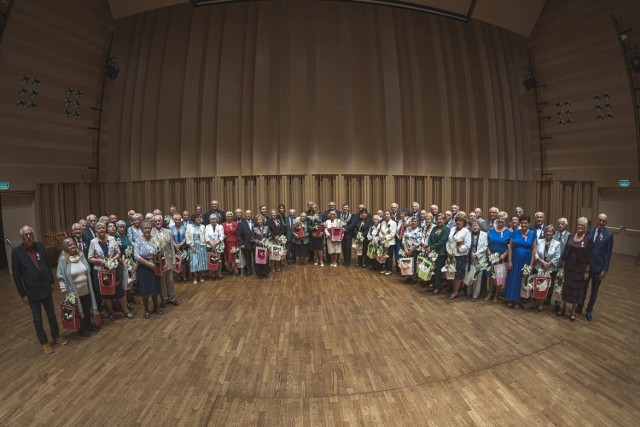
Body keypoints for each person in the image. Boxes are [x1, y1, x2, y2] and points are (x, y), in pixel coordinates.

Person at [12, 225, 68, 353]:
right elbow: (16, 276)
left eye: (30, 233)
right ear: (22, 237)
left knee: (52, 315)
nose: (29, 236)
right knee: (37, 319)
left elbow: (47, 265)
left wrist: (52, 281)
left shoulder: (40, 246)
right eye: (26, 234)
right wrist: (22, 294)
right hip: (31, 292)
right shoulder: (17, 252)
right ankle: (44, 341)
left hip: (45, 287)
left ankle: (56, 336)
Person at [88, 222, 132, 320]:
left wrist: (112, 260)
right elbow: (90, 258)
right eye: (99, 228)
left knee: (119, 291)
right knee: (106, 293)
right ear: (96, 230)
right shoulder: (93, 242)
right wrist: (100, 261)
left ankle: (126, 311)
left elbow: (118, 253)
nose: (101, 229)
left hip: (113, 269)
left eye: (103, 227)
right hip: (100, 271)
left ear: (106, 229)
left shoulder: (112, 239)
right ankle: (111, 312)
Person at [57, 238, 100, 337]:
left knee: (87, 308)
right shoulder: (63, 260)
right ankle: (82, 328)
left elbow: (87, 270)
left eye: (73, 244)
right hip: (73, 291)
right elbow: (61, 278)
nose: (73, 246)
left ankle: (89, 325)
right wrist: (65, 293)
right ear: (66, 248)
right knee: (78, 310)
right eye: (70, 245)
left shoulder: (81, 256)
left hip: (85, 288)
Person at [577, 213, 613, 321]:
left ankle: (589, 310)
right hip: (587, 266)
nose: (601, 222)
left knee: (594, 291)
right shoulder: (590, 232)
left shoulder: (609, 235)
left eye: (604, 221)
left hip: (598, 268)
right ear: (597, 220)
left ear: (606, 222)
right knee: (583, 288)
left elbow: (609, 254)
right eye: (600, 220)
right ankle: (579, 306)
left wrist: (605, 270)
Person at [558, 217, 592, 322]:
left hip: (579, 269)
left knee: (575, 290)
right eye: (578, 224)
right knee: (566, 288)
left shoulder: (588, 239)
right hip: (569, 267)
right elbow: (566, 251)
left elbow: (590, 256)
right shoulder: (571, 236)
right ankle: (563, 308)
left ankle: (573, 311)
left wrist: (587, 271)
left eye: (582, 225)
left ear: (586, 227)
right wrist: (562, 263)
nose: (580, 226)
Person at [133, 219, 164, 319]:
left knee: (155, 288)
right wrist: (149, 265)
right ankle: (146, 309)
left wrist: (164, 262)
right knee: (145, 290)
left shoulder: (155, 239)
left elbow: (160, 251)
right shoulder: (138, 240)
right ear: (141, 229)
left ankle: (156, 307)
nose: (147, 230)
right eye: (145, 228)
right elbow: (137, 256)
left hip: (155, 266)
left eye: (149, 228)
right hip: (143, 268)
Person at [504, 215, 536, 308]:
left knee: (522, 280)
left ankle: (518, 300)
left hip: (526, 260)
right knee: (513, 278)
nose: (523, 225)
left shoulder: (532, 234)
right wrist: (509, 261)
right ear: (519, 223)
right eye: (522, 223)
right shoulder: (515, 233)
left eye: (525, 223)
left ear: (529, 224)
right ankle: (510, 298)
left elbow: (534, 250)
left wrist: (531, 264)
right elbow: (510, 247)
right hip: (515, 259)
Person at [530, 225, 561, 312]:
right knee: (536, 285)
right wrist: (542, 261)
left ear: (553, 233)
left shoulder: (557, 243)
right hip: (538, 267)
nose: (548, 233)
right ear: (544, 232)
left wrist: (549, 264)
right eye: (547, 231)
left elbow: (557, 256)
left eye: (550, 232)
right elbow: (535, 253)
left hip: (549, 269)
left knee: (545, 286)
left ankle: (541, 304)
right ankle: (536, 302)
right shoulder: (539, 241)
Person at [485, 212, 512, 302]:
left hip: (502, 258)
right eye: (499, 218)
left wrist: (504, 254)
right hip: (492, 257)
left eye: (503, 219)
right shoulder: (492, 230)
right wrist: (488, 250)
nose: (500, 220)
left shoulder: (509, 232)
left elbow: (510, 246)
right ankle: (490, 293)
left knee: (499, 277)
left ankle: (497, 294)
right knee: (490, 276)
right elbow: (487, 243)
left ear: (506, 221)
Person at [152, 214, 178, 306]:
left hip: (169, 259)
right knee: (161, 281)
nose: (158, 222)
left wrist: (174, 259)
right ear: (153, 222)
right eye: (156, 221)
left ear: (162, 221)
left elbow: (171, 246)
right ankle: (164, 299)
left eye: (159, 220)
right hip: (158, 261)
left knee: (170, 280)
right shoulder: (151, 233)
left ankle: (172, 298)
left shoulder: (168, 231)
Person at [447, 212, 471, 301]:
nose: (458, 222)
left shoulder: (466, 231)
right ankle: (455, 289)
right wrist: (448, 250)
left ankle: (455, 292)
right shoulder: (452, 229)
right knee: (451, 273)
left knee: (458, 275)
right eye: (457, 220)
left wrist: (458, 249)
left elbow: (468, 245)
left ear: (464, 222)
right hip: (451, 255)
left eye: (461, 221)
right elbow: (448, 241)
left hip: (460, 256)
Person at [427, 213, 449, 294]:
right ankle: (432, 284)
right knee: (432, 269)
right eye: (438, 219)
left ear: (444, 220)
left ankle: (437, 287)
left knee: (438, 271)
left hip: (441, 252)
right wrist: (429, 247)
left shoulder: (446, 229)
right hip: (432, 252)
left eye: (441, 219)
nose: (439, 221)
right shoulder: (434, 228)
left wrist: (431, 247)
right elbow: (430, 238)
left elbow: (442, 241)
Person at [465, 219, 488, 301]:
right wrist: (470, 253)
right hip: (469, 257)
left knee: (478, 278)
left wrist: (476, 254)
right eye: (473, 225)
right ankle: (469, 293)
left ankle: (475, 295)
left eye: (476, 225)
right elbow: (466, 245)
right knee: (469, 275)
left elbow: (485, 247)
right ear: (471, 227)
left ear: (479, 226)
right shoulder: (468, 234)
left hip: (480, 258)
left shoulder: (484, 234)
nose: (475, 227)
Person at [115, 220, 135, 303]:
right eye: (120, 227)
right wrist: (123, 263)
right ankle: (124, 302)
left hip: (129, 259)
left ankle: (128, 298)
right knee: (125, 282)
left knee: (130, 280)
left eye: (123, 227)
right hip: (123, 261)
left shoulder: (125, 235)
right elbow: (118, 251)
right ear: (117, 228)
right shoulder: (117, 237)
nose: (122, 228)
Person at [186, 214, 207, 283]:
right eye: (197, 219)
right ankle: (195, 277)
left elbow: (205, 236)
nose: (199, 220)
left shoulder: (203, 226)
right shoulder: (189, 226)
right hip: (193, 246)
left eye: (200, 219)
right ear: (193, 220)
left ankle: (201, 276)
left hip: (202, 246)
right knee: (194, 262)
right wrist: (191, 247)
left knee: (201, 261)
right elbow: (187, 237)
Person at [401, 217, 423, 284]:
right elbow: (403, 239)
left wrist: (411, 250)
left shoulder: (419, 230)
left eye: (415, 221)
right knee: (408, 263)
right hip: (406, 249)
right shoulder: (407, 229)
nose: (413, 222)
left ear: (418, 222)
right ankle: (409, 277)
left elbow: (418, 241)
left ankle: (414, 278)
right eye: (412, 221)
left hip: (415, 250)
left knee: (415, 264)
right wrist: (406, 249)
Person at [205, 213, 225, 280]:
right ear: (209, 220)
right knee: (212, 260)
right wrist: (211, 244)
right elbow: (206, 237)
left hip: (218, 246)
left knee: (219, 260)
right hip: (209, 246)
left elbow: (222, 236)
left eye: (214, 219)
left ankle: (219, 273)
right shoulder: (207, 227)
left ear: (216, 219)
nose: (213, 220)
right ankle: (213, 273)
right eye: (211, 219)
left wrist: (216, 243)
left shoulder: (220, 226)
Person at [251, 214, 271, 278]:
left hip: (265, 246)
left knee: (265, 259)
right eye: (258, 220)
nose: (259, 221)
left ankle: (265, 272)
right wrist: (258, 242)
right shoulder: (254, 229)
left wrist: (266, 240)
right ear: (256, 221)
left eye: (260, 219)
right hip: (257, 247)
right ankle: (259, 273)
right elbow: (252, 238)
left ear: (262, 220)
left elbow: (270, 236)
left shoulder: (266, 227)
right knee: (258, 260)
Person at [170, 214, 188, 282]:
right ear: (174, 220)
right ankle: (177, 276)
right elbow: (171, 238)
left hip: (183, 247)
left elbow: (186, 238)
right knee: (176, 262)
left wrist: (180, 244)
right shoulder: (171, 228)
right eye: (176, 219)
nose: (177, 221)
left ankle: (183, 276)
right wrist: (175, 245)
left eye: (179, 219)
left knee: (183, 262)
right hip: (174, 248)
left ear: (181, 220)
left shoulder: (184, 228)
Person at [237, 210, 256, 276]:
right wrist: (241, 244)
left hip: (255, 244)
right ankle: (249, 270)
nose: (248, 215)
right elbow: (239, 235)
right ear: (245, 215)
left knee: (256, 257)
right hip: (246, 244)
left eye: (249, 214)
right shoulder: (241, 223)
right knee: (248, 258)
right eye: (247, 214)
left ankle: (256, 270)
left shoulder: (255, 222)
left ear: (251, 214)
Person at [222, 211, 240, 275]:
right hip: (227, 243)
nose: (229, 217)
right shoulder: (223, 224)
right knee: (228, 257)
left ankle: (235, 268)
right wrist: (224, 235)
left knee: (236, 256)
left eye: (230, 216)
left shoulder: (235, 223)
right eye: (228, 216)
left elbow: (237, 232)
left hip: (235, 242)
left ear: (232, 217)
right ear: (226, 217)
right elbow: (222, 233)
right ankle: (230, 268)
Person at [380, 210, 397, 275]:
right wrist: (381, 236)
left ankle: (389, 270)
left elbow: (392, 234)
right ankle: (385, 268)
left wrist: (385, 237)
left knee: (389, 256)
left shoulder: (393, 223)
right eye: (385, 214)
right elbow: (380, 232)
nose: (386, 215)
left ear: (390, 215)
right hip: (383, 242)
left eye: (388, 214)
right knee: (384, 256)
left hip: (390, 242)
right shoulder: (383, 222)